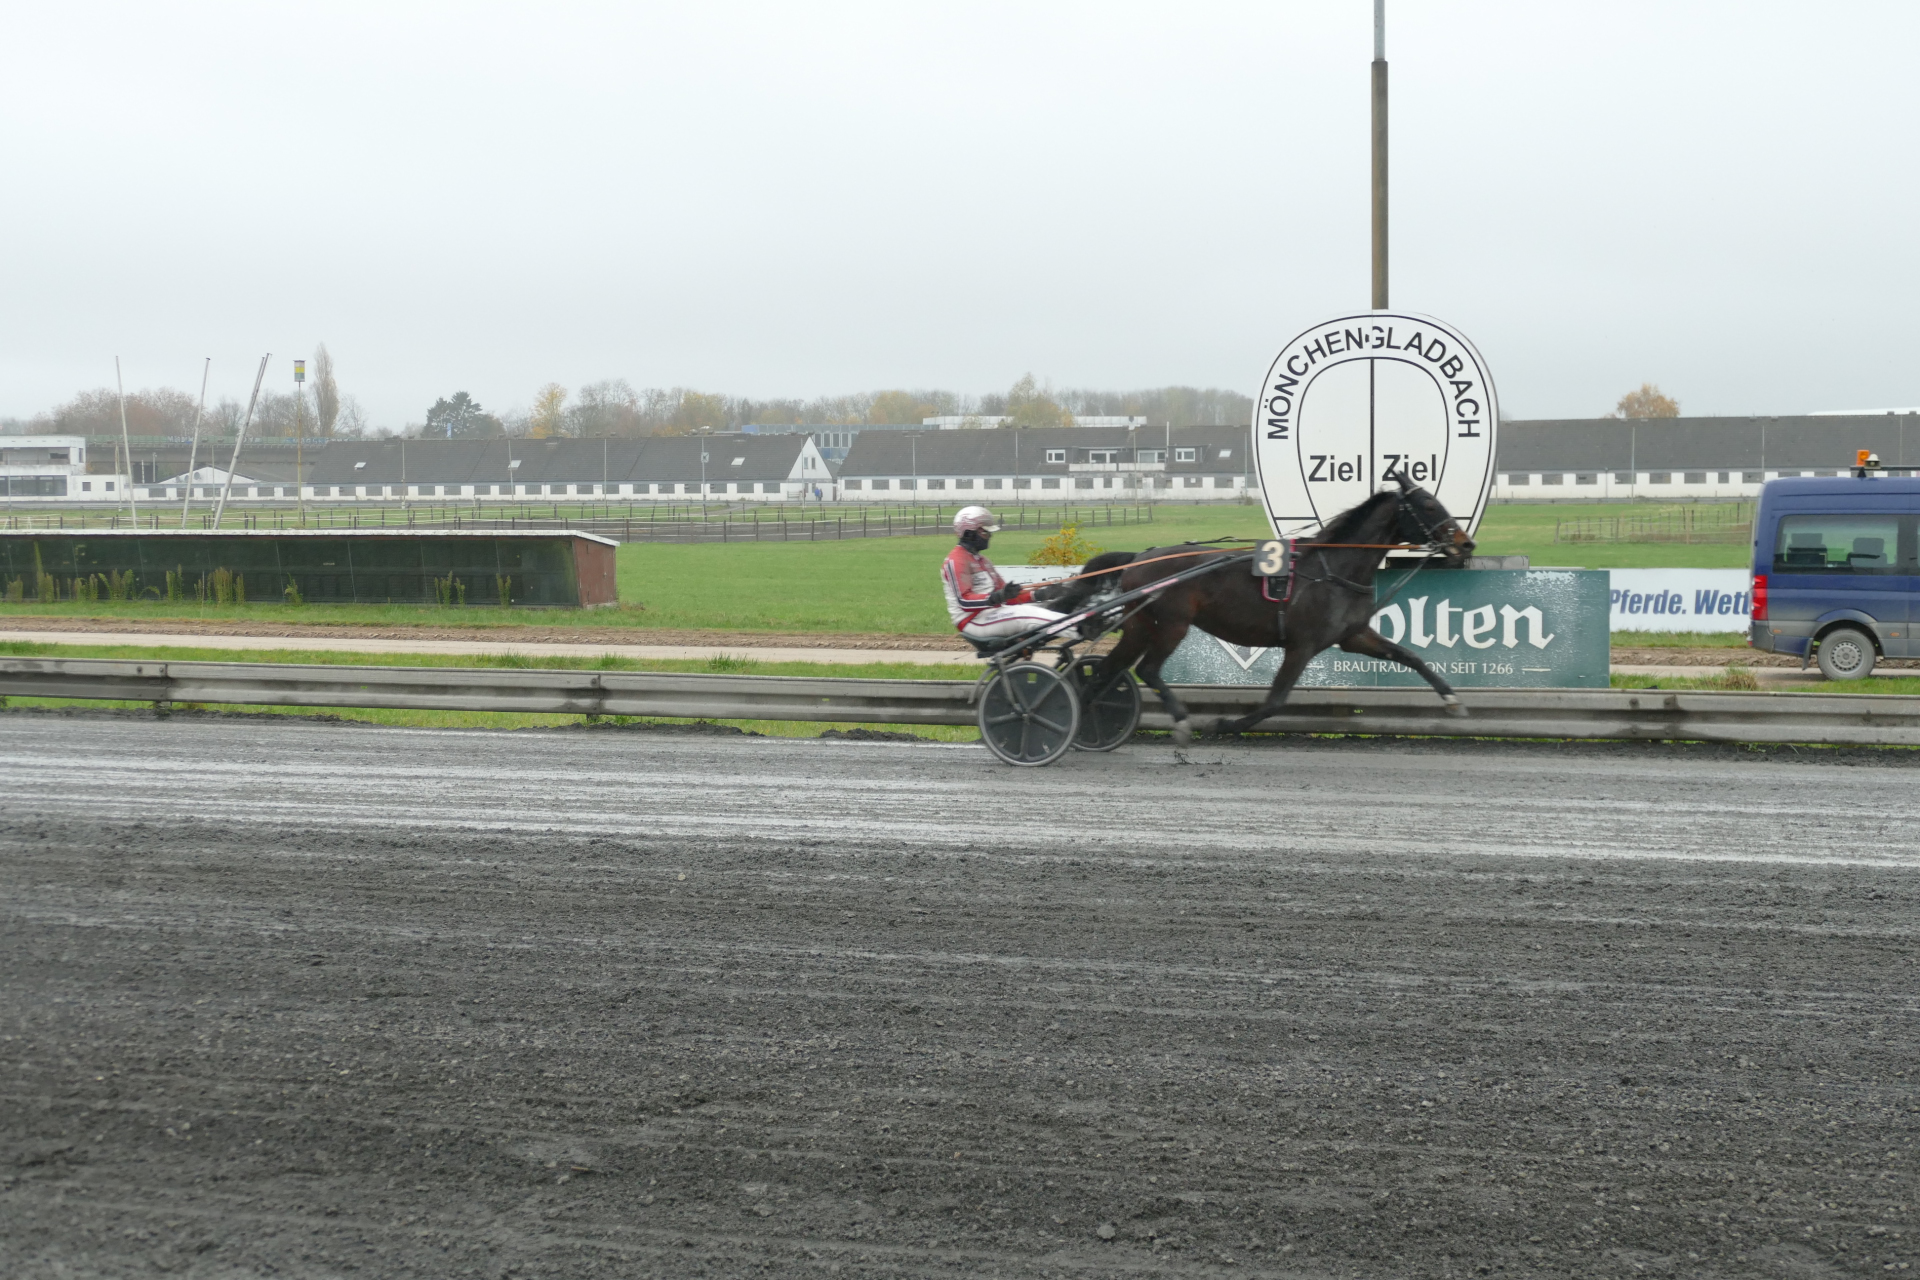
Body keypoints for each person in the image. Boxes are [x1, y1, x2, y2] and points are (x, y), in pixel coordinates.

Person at [942, 505, 1069, 640]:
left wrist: (1039, 594)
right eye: (985, 532)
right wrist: (997, 597)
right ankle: (1076, 628)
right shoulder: (956, 561)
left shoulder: (984, 562)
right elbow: (964, 602)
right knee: (1025, 612)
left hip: (992, 613)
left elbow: (1008, 597)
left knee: (1047, 606)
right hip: (972, 621)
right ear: (969, 533)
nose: (989, 536)